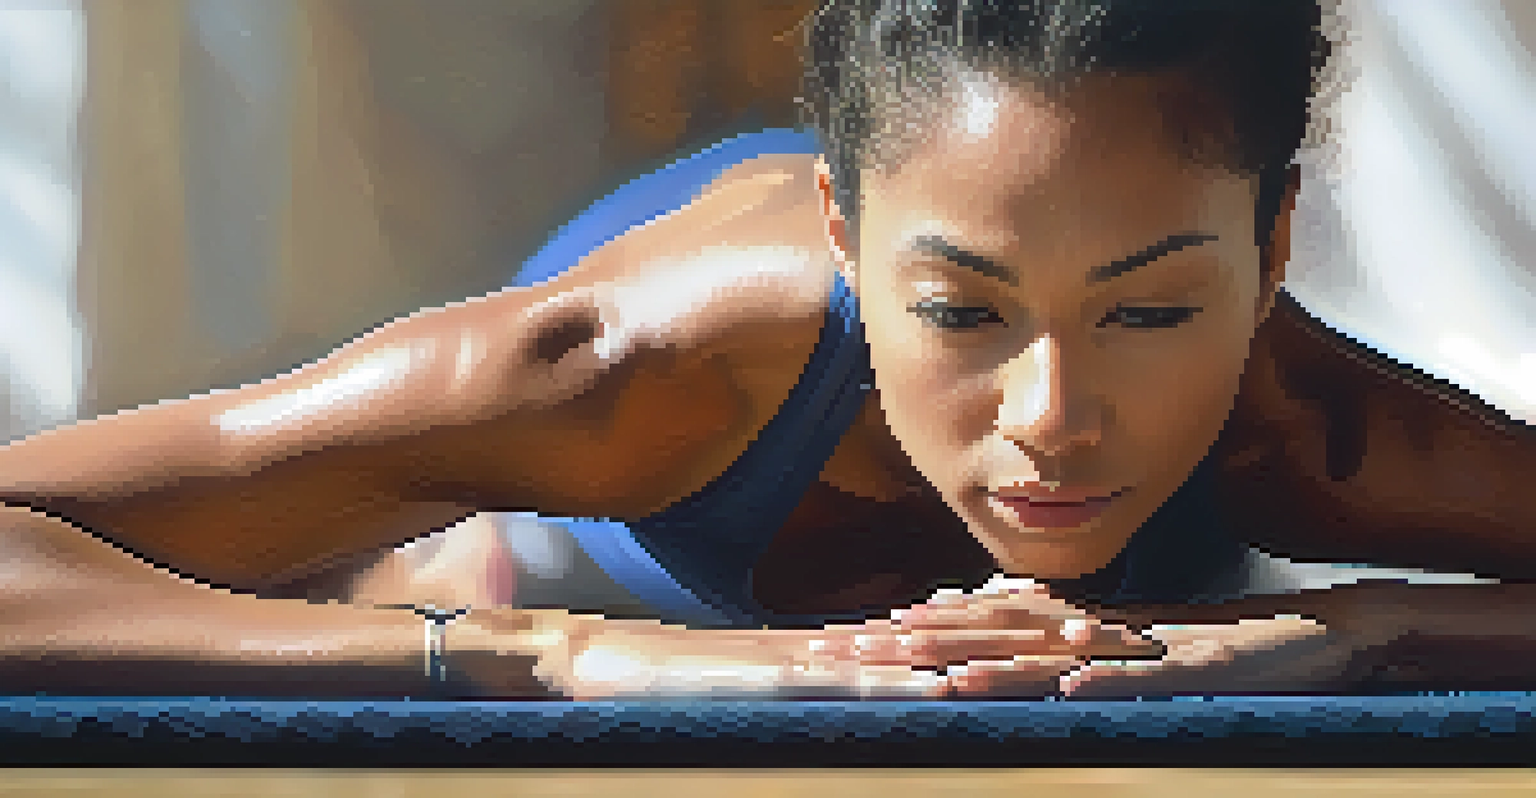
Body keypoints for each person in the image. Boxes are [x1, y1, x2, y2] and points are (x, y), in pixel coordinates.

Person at [1, 0, 1533, 700]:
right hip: (571, 510)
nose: (1053, 418)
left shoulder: (1307, 423)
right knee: (385, 560)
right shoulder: (614, 368)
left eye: (1149, 310)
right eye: (962, 312)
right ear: (847, 237)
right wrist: (558, 654)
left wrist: (1351, 629)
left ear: (1271, 254)